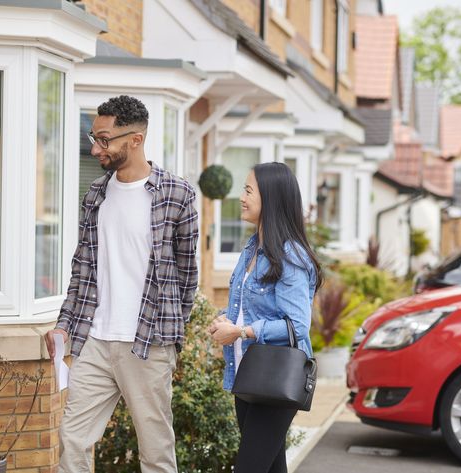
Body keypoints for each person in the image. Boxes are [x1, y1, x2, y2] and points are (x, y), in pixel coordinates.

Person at [44, 95, 199, 473]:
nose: (96, 147)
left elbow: (187, 276)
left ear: (135, 139)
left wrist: (171, 338)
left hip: (147, 342)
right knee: (74, 440)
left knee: (155, 450)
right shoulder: (96, 194)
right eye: (93, 137)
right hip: (95, 339)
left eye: (104, 139)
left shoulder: (177, 196)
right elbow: (83, 267)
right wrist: (65, 323)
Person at [208, 162, 321, 473]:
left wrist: (242, 332)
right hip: (247, 374)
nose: (241, 197)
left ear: (270, 198)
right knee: (271, 468)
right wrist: (223, 322)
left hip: (276, 378)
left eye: (248, 190)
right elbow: (247, 308)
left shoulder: (290, 255)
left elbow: (297, 325)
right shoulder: (252, 248)